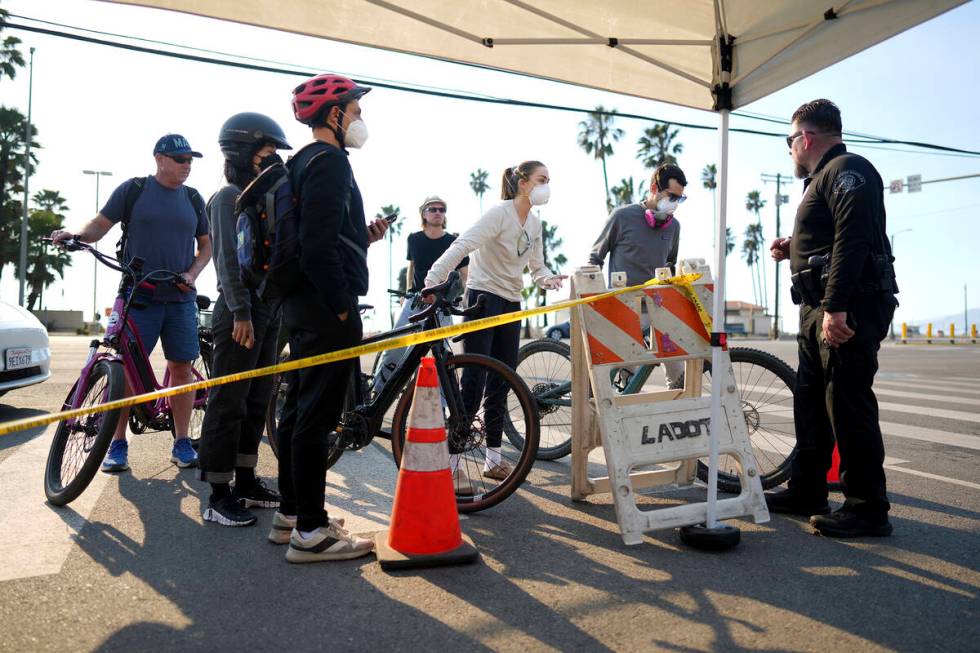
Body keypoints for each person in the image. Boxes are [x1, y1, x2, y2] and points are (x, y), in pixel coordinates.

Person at [767, 99, 898, 538]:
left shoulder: (848, 168)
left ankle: (866, 507)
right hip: (816, 306)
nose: (790, 150)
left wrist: (836, 306)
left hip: (846, 306)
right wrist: (795, 249)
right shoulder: (822, 179)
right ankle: (807, 489)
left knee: (846, 404)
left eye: (790, 140)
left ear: (806, 137)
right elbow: (830, 237)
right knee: (810, 401)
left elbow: (854, 237)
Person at [273, 73, 388, 563]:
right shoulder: (330, 163)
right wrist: (342, 304)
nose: (361, 118)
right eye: (356, 110)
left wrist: (363, 238)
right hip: (324, 308)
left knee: (299, 410)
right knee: (315, 417)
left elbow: (321, 235)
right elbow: (317, 249)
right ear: (334, 115)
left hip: (301, 303)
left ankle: (292, 515)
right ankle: (312, 534)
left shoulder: (301, 162)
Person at [51, 134, 211, 473]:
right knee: (120, 369)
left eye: (190, 160)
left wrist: (193, 273)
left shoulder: (194, 198)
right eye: (181, 158)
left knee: (181, 368)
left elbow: (206, 247)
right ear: (160, 159)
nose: (187, 165)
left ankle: (182, 442)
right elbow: (100, 225)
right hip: (138, 295)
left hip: (180, 298)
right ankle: (117, 444)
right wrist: (76, 237)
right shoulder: (134, 190)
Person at [424, 161, 566, 493]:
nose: (546, 186)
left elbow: (536, 265)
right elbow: (462, 246)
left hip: (511, 303)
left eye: (549, 180)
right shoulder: (498, 214)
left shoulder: (534, 222)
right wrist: (433, 280)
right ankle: (453, 463)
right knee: (473, 382)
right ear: (523, 182)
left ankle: (493, 459)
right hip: (483, 299)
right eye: (541, 179)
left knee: (502, 381)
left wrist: (548, 279)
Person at [197, 113, 291, 527]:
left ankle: (246, 480)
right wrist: (240, 312)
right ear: (242, 152)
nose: (271, 160)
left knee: (257, 399)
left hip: (268, 310)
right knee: (228, 402)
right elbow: (227, 261)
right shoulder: (228, 197)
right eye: (266, 153)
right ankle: (217, 495)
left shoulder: (261, 199)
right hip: (240, 313)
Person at [588, 163, 687, 389]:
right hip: (625, 307)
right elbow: (595, 257)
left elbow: (669, 264)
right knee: (629, 377)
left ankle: (676, 407)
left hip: (659, 306)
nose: (674, 203)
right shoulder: (622, 217)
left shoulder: (674, 228)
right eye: (671, 196)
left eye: (679, 199)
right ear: (654, 187)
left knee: (678, 370)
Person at [371, 195, 468, 395]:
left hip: (441, 304)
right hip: (414, 301)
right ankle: (377, 393)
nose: (438, 213)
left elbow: (465, 275)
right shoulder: (414, 239)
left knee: (441, 357)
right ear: (423, 213)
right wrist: (406, 293)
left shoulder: (454, 241)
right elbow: (412, 267)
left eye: (442, 209)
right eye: (433, 209)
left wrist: (457, 296)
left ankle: (441, 406)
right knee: (395, 348)